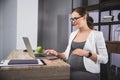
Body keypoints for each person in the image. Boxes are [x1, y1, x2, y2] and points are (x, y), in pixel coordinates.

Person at [44, 7, 108, 80]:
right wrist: (57, 54)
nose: (73, 21)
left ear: (84, 17)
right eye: (72, 19)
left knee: (60, 76)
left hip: (88, 73)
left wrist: (86, 54)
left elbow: (104, 59)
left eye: (76, 18)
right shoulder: (73, 34)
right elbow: (66, 55)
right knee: (50, 73)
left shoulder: (97, 35)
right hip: (70, 68)